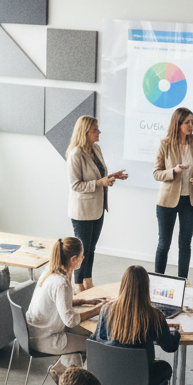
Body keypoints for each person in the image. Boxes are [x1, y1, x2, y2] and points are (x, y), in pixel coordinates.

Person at [92, 264, 180, 385]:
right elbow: (170, 347)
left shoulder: (107, 309)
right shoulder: (154, 315)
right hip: (139, 381)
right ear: (147, 287)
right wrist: (175, 334)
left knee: (113, 354)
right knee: (164, 368)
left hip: (108, 376)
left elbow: (97, 341)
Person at [26, 237, 105, 384]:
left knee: (91, 333)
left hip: (34, 332)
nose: (84, 257)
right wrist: (97, 310)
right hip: (45, 338)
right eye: (82, 255)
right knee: (95, 344)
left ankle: (61, 370)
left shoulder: (50, 270)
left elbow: (59, 302)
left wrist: (84, 301)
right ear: (74, 259)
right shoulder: (61, 282)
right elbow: (70, 320)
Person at [66, 116, 127, 293]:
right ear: (85, 132)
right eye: (95, 130)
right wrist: (100, 183)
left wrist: (113, 176)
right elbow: (75, 185)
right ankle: (78, 285)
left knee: (91, 248)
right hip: (82, 211)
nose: (99, 132)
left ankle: (88, 281)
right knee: (81, 251)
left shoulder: (96, 149)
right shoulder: (75, 154)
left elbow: (99, 175)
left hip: (98, 208)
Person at [153, 106, 193, 279]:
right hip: (167, 201)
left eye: (192, 122)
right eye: (187, 122)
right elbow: (156, 173)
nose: (191, 125)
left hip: (190, 201)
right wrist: (174, 171)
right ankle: (157, 281)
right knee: (164, 244)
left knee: (185, 244)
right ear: (178, 124)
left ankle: (181, 282)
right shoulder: (165, 143)